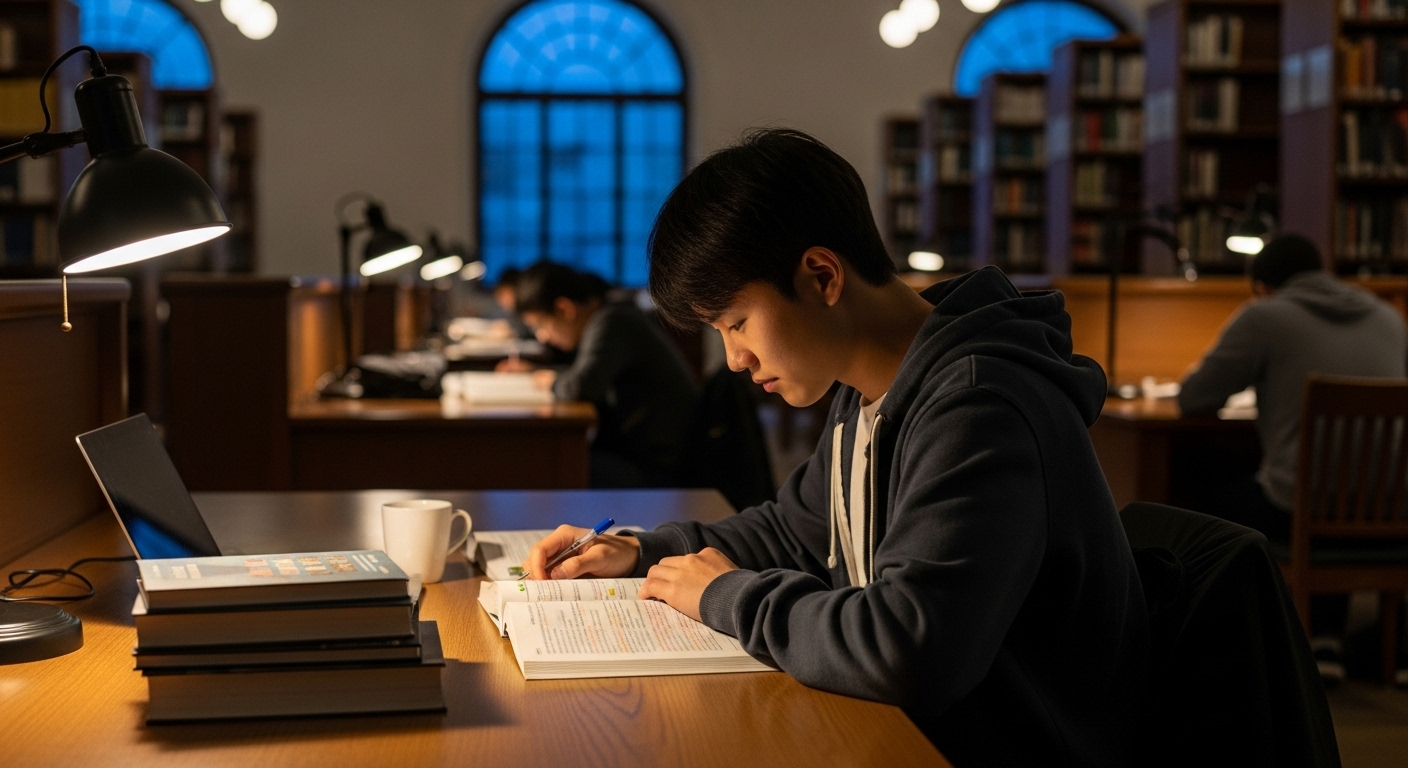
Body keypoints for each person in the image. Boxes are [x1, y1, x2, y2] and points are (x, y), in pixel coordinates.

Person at [522, 129, 1148, 765]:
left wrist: (723, 594)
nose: (735, 359)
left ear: (821, 276)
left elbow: (909, 649)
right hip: (912, 732)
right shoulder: (870, 387)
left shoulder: (980, 405)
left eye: (737, 323)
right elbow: (795, 532)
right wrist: (641, 552)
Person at [1179, 233, 1407, 678]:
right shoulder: (1388, 317)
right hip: (1389, 509)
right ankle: (1326, 639)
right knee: (1330, 479)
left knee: (1195, 499)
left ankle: (1209, 647)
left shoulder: (1265, 316)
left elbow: (1194, 398)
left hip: (1300, 508)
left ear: (1263, 285)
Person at [498, 261, 697, 488]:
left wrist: (550, 380)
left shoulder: (611, 322)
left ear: (565, 309)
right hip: (644, 455)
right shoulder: (609, 316)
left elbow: (580, 387)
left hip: (656, 468)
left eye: (541, 324)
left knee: (545, 464)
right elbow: (580, 374)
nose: (542, 337)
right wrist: (539, 373)